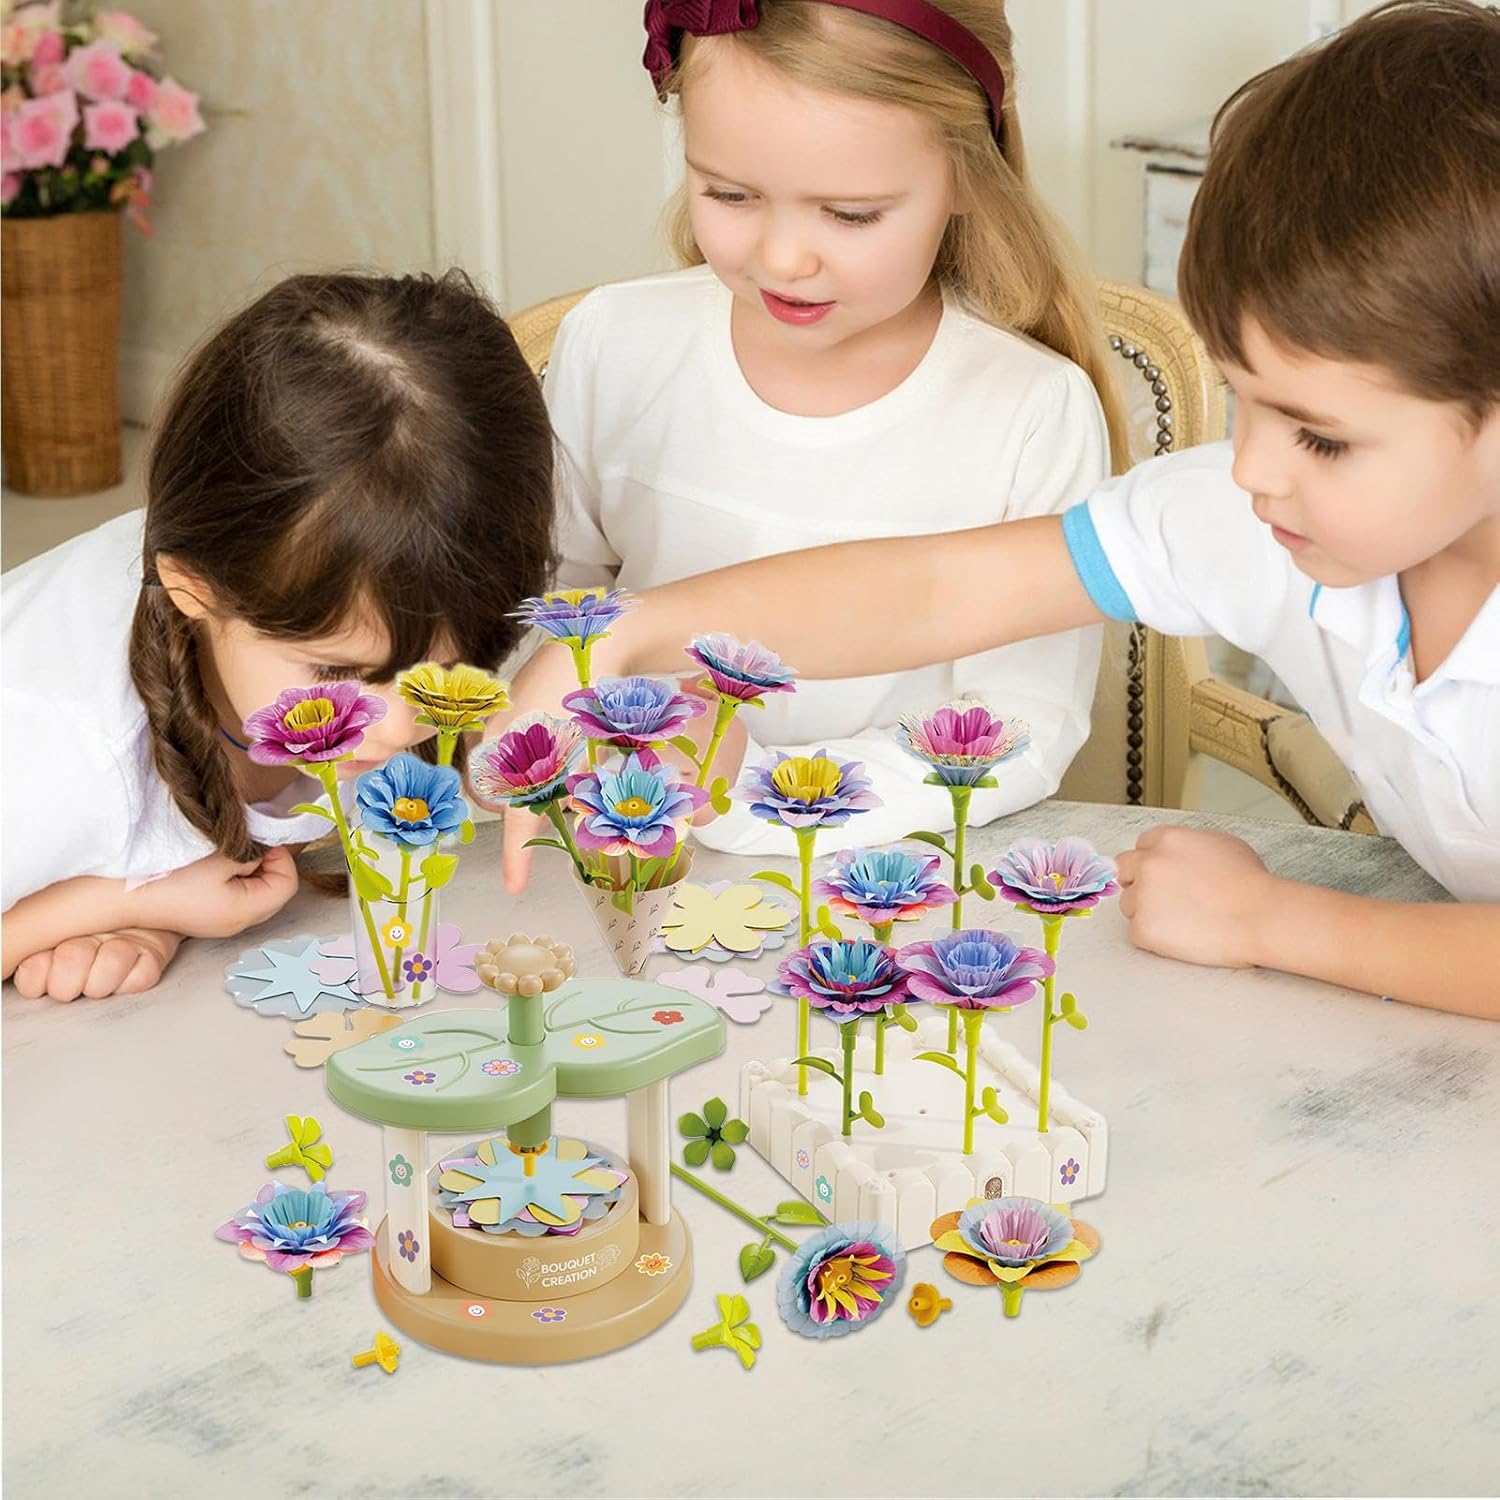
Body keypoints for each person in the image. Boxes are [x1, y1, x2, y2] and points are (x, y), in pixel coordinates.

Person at [523, 0, 1500, 1017]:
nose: (1251, 465)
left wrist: (1270, 921)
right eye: (1241, 397)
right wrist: (628, 633)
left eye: (1323, 437)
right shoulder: (1245, 519)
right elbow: (933, 590)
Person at [501, 0, 1132, 888]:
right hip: (619, 859)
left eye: (850, 214)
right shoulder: (615, 342)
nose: (785, 259)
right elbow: (542, 607)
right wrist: (613, 738)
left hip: (893, 882)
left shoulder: (1029, 408)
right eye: (729, 195)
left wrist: (753, 792)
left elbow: (1019, 725)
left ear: (967, 177)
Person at [2, 270, 556, 1001]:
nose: (398, 727)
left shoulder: (346, 586)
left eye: (441, 668)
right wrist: (121, 902)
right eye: (335, 674)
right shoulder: (54, 748)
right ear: (192, 588)